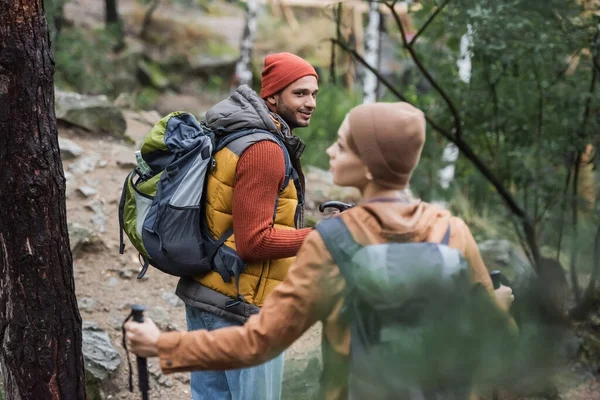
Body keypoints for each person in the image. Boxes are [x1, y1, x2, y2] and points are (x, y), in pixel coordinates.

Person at [126, 102, 515, 400]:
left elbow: (259, 341)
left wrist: (160, 344)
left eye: (343, 146)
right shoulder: (451, 231)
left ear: (368, 166)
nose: (330, 150)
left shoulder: (335, 242)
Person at [172, 52, 319, 400]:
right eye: (299, 93)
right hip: (240, 310)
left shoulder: (236, 134)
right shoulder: (264, 149)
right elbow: (254, 242)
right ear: (272, 96)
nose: (311, 102)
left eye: (314, 93)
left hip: (211, 296)